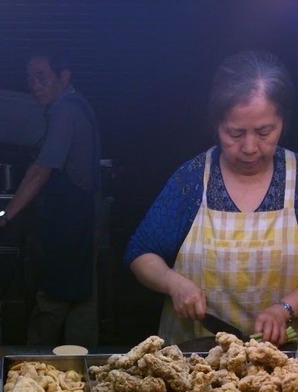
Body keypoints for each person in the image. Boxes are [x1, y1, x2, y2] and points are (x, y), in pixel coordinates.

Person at [125, 49, 298, 347]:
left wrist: (285, 309)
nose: (249, 147)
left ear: (283, 121)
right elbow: (141, 253)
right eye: (234, 133)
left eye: (264, 132)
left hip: (282, 365)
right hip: (195, 362)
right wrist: (174, 283)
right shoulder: (192, 179)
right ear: (216, 125)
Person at [0, 50, 101, 348]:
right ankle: (83, 374)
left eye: (41, 77)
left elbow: (39, 171)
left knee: (52, 302)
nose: (34, 85)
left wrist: (5, 216)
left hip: (70, 227)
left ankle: (32, 370)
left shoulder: (66, 110)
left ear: (64, 76)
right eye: (30, 79)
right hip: (81, 225)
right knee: (82, 301)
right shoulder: (78, 106)